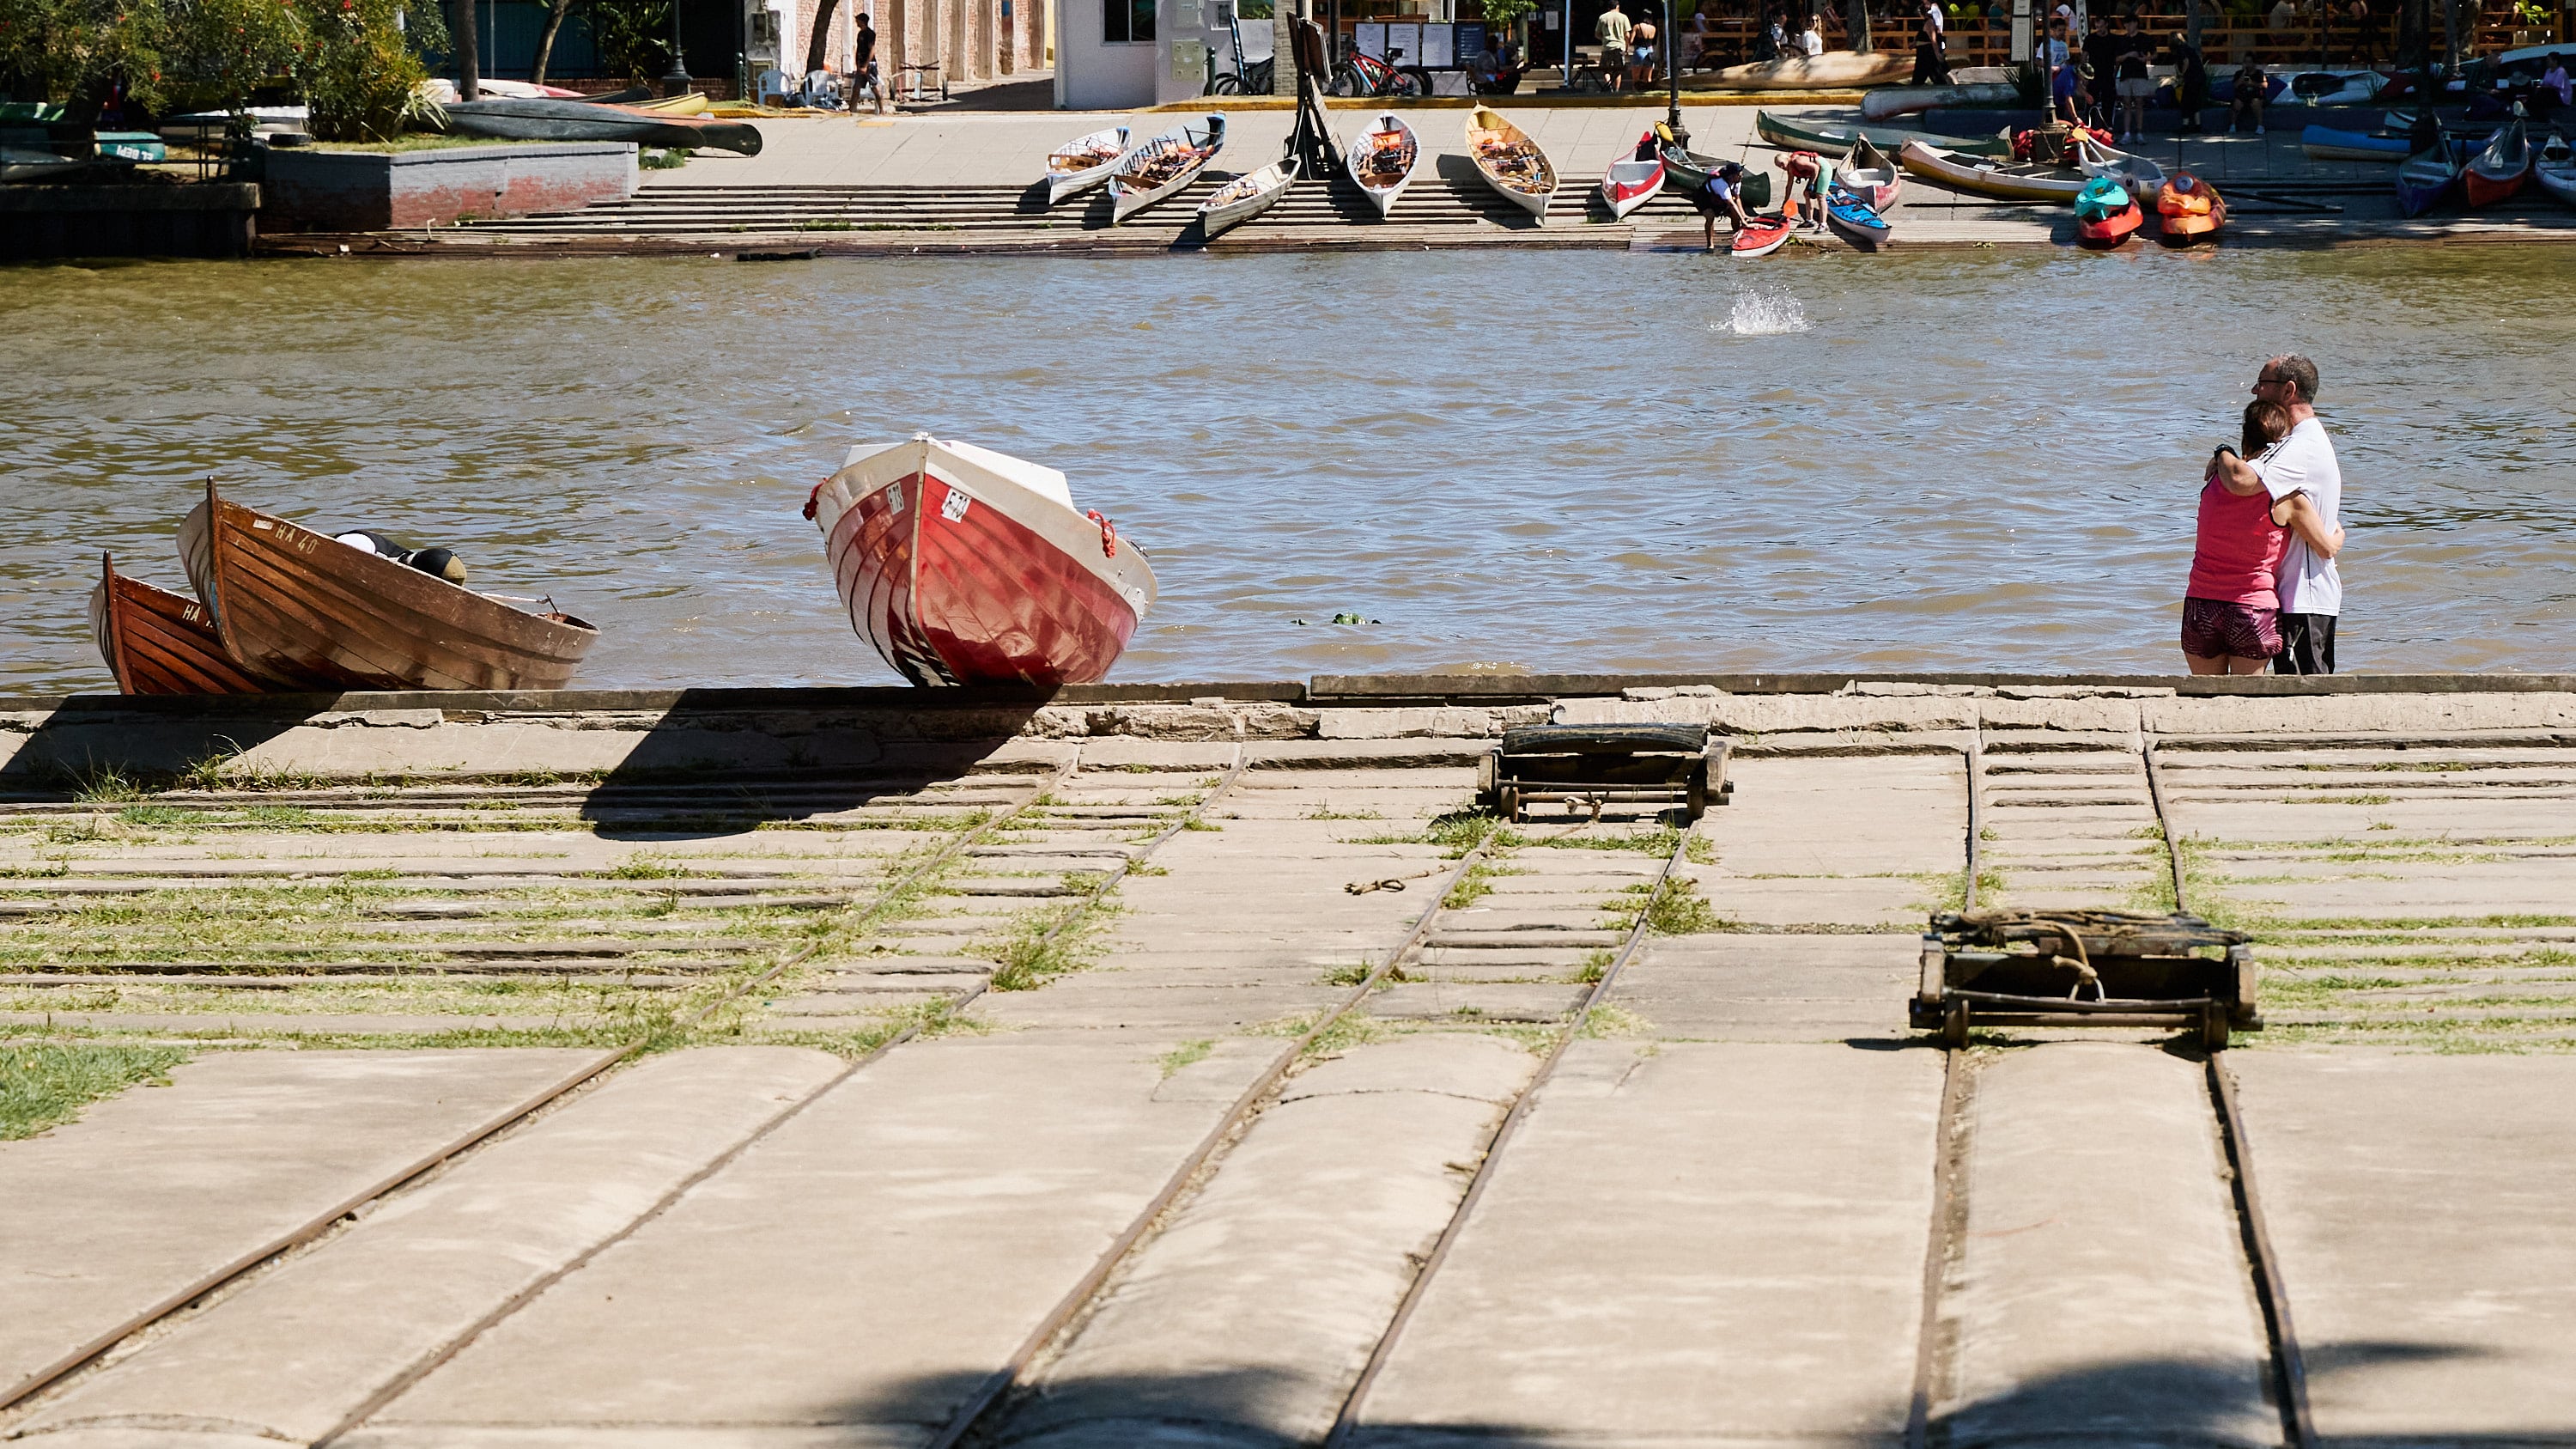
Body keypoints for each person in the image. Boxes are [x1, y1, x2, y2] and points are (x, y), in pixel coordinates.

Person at [2208, 355, 2346, 673]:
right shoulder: (2309, 441)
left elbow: (2241, 481)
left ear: (2289, 391)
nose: (2255, 390)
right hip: (2309, 598)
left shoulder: (2298, 447)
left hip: (2302, 599)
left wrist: (2221, 452)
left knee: (2302, 701)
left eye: (2263, 383)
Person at [2181, 402, 2298, 674]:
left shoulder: (2213, 480)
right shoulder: (2282, 495)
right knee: (2245, 704)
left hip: (2202, 604)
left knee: (2205, 701)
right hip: (2254, 608)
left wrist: (2223, 454)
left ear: (2245, 436)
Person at [1694, 159, 1753, 248]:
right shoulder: (1721, 183)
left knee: (1735, 215)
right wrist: (1743, 221)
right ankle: (1710, 244)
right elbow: (1731, 204)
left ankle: (1736, 239)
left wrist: (1743, 216)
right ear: (1731, 176)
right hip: (1705, 199)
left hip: (1720, 200)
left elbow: (1737, 198)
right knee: (1710, 216)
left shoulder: (1737, 181)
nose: (1741, 176)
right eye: (1739, 175)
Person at [2114, 15, 2153, 142]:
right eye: (2125, 25)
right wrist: (2128, 55)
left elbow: (2154, 53)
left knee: (2139, 103)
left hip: (2140, 74)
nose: (2127, 27)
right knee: (2126, 104)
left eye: (2129, 24)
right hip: (2126, 74)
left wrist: (2145, 59)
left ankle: (2139, 132)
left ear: (2135, 23)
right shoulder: (2122, 40)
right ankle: (2127, 133)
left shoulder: (2144, 38)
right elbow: (2117, 59)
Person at [2171, 33, 2211, 132]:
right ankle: (2198, 125)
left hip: (2192, 78)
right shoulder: (2188, 48)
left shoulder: (2181, 50)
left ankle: (2186, 125)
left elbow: (2186, 61)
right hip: (2199, 77)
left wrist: (2182, 74)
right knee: (2195, 101)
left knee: (2186, 101)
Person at [1597, 0, 1634, 89]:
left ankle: (1608, 86)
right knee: (1618, 70)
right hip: (1619, 46)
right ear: (1617, 7)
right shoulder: (1623, 17)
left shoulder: (1602, 17)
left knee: (1605, 69)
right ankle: (1617, 89)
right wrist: (1626, 47)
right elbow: (1627, 35)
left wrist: (1604, 39)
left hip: (1607, 47)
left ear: (1608, 8)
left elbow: (1597, 33)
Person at [2230, 59, 2266, 133]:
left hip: (2255, 95)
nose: (2248, 65)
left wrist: (2252, 83)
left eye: (2250, 63)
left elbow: (2264, 85)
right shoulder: (2238, 73)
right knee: (2237, 103)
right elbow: (2235, 85)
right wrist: (2243, 74)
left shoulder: (2259, 73)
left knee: (2256, 103)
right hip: (2242, 95)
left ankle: (2260, 126)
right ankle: (2233, 125)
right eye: (2246, 63)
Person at [1630, 13, 1661, 84]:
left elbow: (1631, 40)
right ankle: (1647, 91)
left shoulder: (1637, 27)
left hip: (1640, 50)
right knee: (1648, 77)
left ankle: (1635, 92)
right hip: (1650, 51)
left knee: (1636, 77)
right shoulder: (1653, 28)